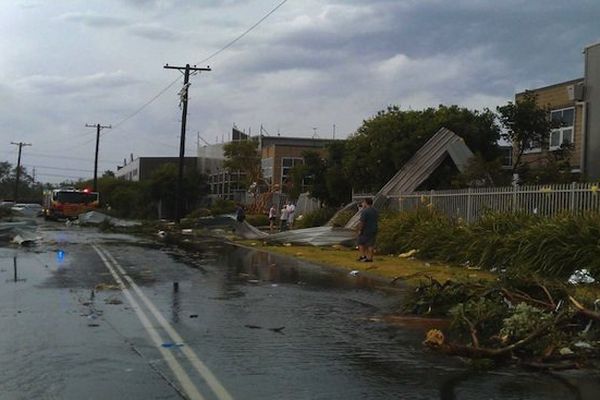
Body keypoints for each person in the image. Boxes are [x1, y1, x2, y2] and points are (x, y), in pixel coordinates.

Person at [357, 197, 378, 262]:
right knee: (370, 244)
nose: (362, 204)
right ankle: (370, 258)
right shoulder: (375, 211)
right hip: (374, 229)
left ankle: (363, 256)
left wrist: (360, 230)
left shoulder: (365, 211)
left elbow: (362, 222)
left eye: (363, 202)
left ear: (366, 203)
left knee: (361, 243)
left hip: (366, 230)